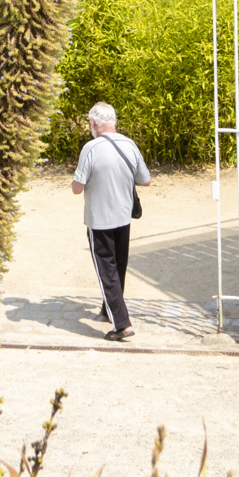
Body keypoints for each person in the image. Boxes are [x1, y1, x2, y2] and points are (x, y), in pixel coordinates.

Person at [67, 101, 152, 340]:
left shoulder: (91, 148)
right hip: (124, 216)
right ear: (113, 121)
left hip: (99, 219)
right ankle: (109, 309)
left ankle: (122, 324)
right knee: (119, 266)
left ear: (94, 122)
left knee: (107, 269)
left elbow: (77, 188)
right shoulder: (130, 145)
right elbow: (145, 180)